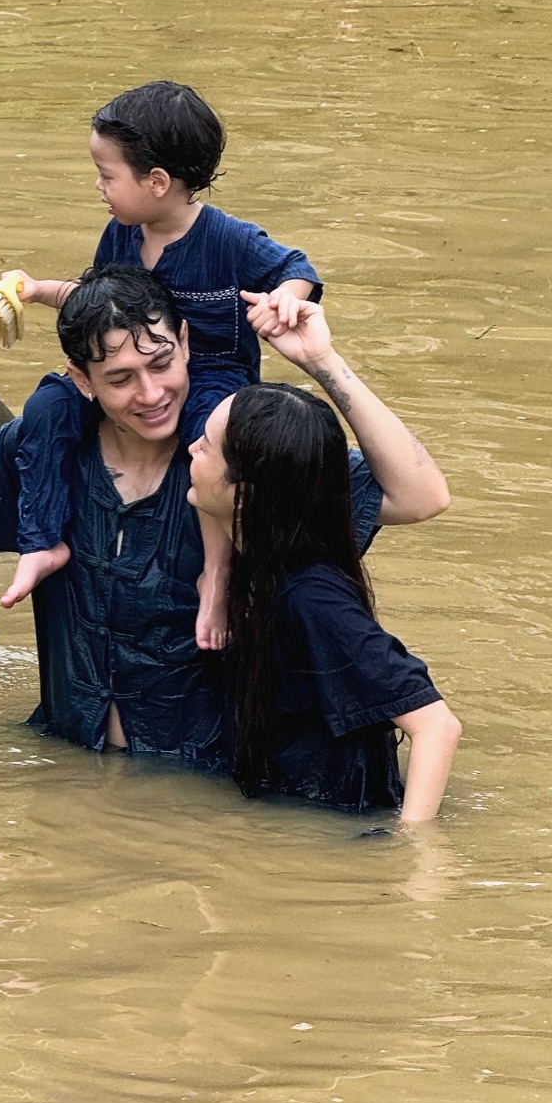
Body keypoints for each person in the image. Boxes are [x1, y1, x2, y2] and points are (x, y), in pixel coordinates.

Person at [0, 248, 456, 817]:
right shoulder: (48, 462)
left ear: (187, 342)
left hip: (208, 788)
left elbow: (420, 495)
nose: (152, 393)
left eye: (161, 364)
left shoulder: (237, 467)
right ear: (80, 379)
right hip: (74, 770)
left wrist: (324, 360)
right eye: (121, 379)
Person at [0, 80, 323, 646]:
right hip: (136, 368)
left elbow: (297, 268)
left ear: (157, 182)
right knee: (48, 404)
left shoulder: (229, 239)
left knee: (211, 441)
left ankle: (216, 574)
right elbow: (98, 303)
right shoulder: (122, 235)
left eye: (107, 174)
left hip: (215, 373)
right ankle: (41, 540)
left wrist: (285, 299)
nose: (99, 187)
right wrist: (35, 288)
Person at [190, 310, 462, 819]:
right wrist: (215, 574)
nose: (189, 448)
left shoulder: (311, 598)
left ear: (243, 491)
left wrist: (414, 857)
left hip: (337, 825)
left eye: (204, 446)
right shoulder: (262, 553)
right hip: (288, 816)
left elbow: (436, 725)